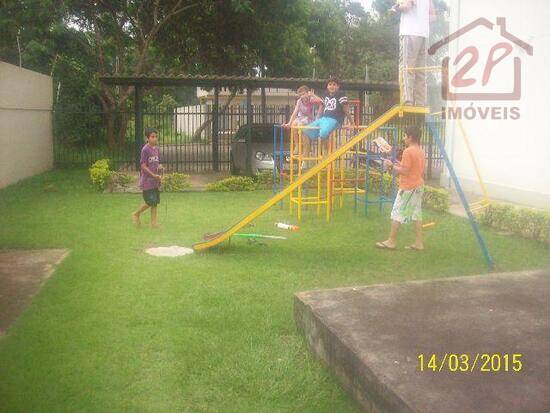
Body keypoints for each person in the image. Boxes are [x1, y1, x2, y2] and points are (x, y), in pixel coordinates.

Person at [376, 126, 426, 251]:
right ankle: (419, 243)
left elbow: (404, 171)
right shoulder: (420, 150)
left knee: (397, 213)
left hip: (408, 187)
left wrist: (391, 165)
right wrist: (398, 164)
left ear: (410, 137)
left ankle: (391, 241)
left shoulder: (408, 151)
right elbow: (411, 167)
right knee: (416, 214)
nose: (403, 138)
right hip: (419, 185)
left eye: (405, 136)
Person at [391, 0, 436, 106]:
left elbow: (407, 6)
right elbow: (433, 16)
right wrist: (421, 20)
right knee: (420, 71)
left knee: (407, 67)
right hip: (424, 35)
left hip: (409, 32)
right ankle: (421, 102)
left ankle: (407, 100)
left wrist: (396, 8)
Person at [305, 77, 354, 155]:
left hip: (334, 119)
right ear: (327, 86)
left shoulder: (341, 95)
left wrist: (352, 123)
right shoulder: (325, 94)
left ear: (338, 87)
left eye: (334, 85)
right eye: (330, 84)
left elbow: (346, 110)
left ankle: (326, 153)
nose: (332, 86)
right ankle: (306, 157)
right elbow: (322, 104)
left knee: (323, 133)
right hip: (324, 118)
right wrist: (313, 96)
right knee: (306, 131)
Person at [132, 128, 163, 228]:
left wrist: (159, 167)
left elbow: (155, 163)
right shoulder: (145, 149)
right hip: (147, 181)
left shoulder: (157, 149)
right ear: (147, 138)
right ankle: (136, 214)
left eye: (156, 136)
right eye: (152, 137)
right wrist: (153, 175)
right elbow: (143, 165)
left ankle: (153, 223)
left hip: (155, 181)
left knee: (155, 202)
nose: (155, 139)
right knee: (150, 202)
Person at [283, 85, 322, 158]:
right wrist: (289, 123)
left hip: (309, 119)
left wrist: (313, 95)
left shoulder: (311, 100)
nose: (302, 96)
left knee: (301, 126)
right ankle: (297, 145)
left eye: (303, 94)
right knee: (294, 124)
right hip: (300, 118)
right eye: (300, 95)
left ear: (308, 93)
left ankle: (305, 151)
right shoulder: (299, 101)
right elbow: (295, 113)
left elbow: (321, 102)